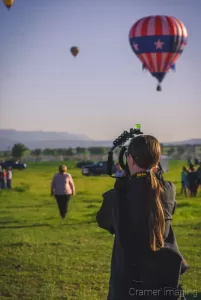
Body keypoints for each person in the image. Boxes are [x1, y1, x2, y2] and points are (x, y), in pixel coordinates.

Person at [96, 135, 188, 300]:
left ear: (129, 160)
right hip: (162, 284)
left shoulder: (117, 196)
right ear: (157, 161)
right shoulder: (169, 190)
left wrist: (123, 180)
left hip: (127, 285)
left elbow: (103, 221)